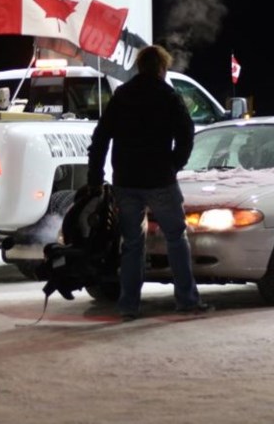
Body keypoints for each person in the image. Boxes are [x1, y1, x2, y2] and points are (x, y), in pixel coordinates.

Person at [87, 44, 208, 320]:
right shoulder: (168, 96)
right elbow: (187, 133)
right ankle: (186, 300)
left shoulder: (122, 96)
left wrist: (96, 176)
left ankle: (128, 305)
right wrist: (175, 164)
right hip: (160, 180)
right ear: (162, 68)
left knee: (131, 243)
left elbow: (101, 138)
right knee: (176, 237)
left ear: (139, 67)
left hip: (126, 181)